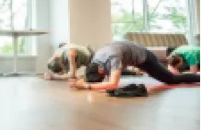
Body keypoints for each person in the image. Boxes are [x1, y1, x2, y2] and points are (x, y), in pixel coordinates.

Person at [70, 41, 201, 90]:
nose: (104, 76)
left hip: (145, 58)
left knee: (172, 79)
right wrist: (80, 82)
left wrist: (87, 86)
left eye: (103, 75)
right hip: (132, 53)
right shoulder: (97, 58)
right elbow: (99, 75)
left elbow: (113, 84)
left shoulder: (112, 58)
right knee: (115, 72)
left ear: (100, 68)